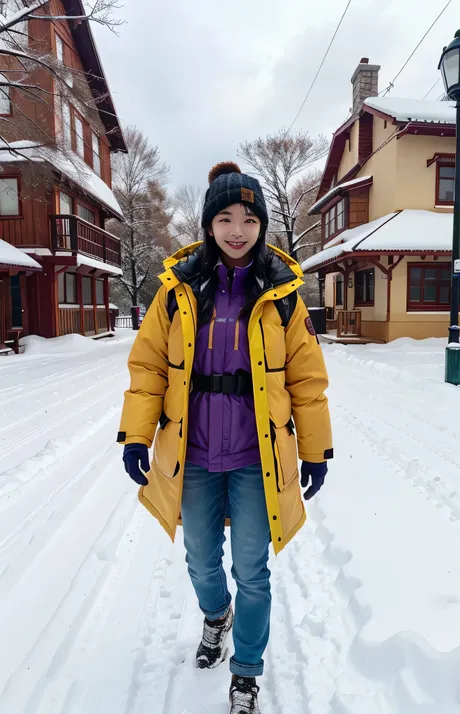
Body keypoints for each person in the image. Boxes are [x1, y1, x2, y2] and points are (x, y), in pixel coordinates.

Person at [118, 162, 332, 714]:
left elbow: (307, 382)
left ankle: (247, 671)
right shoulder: (178, 291)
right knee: (200, 561)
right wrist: (137, 437)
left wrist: (314, 450)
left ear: (262, 225)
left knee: (252, 570)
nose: (238, 230)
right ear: (209, 224)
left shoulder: (283, 296)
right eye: (225, 218)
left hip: (256, 457)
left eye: (249, 219)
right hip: (192, 455)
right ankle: (216, 616)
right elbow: (148, 370)